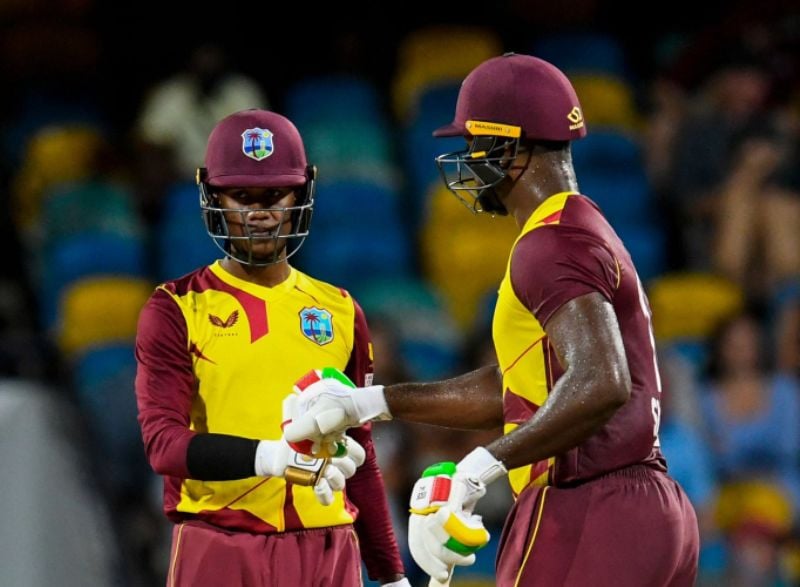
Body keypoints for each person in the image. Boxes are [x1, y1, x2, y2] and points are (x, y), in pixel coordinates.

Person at [285, 54, 700, 586]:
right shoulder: (579, 225)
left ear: (510, 146)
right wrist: (373, 402)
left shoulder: (548, 243)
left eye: (475, 144)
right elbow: (520, 387)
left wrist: (478, 468)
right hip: (650, 512)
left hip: (586, 503)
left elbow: (602, 382)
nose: (467, 160)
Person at [134, 109, 408, 586]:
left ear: (301, 195)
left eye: (274, 195)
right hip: (220, 544)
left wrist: (392, 576)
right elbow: (164, 446)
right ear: (211, 196)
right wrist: (271, 457)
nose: (259, 212)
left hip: (329, 548)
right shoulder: (175, 308)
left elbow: (360, 453)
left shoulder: (341, 310)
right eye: (241, 196)